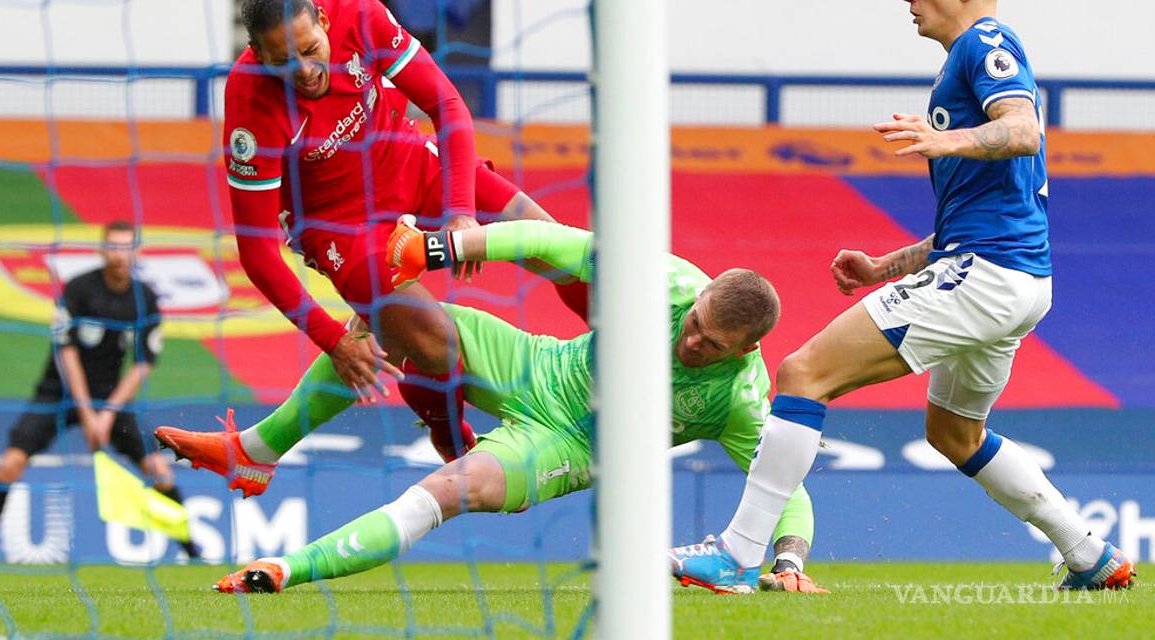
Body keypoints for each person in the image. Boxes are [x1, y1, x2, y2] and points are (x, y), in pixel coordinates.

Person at [671, 0, 1136, 592]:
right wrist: (886, 267)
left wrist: (947, 142)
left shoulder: (988, 43)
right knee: (954, 434)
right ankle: (1089, 554)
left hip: (986, 279)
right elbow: (977, 219)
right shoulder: (962, 65)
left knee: (803, 373)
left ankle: (738, 553)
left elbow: (1024, 129)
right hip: (1014, 278)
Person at [204, 216, 824, 595]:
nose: (691, 340)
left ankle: (285, 570)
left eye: (710, 344)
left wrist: (789, 559)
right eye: (694, 323)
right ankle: (256, 451)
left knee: (446, 491)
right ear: (702, 296)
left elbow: (783, 485)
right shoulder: (673, 283)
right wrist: (439, 248)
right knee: (383, 321)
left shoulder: (742, 397)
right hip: (536, 363)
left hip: (569, 445)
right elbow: (552, 242)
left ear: (749, 348)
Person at [222, 0, 588, 469]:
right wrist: (333, 341)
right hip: (341, 228)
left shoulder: (359, 13)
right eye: (283, 61)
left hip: (410, 162)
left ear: (325, 21)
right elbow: (257, 252)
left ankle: (618, 361)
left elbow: (447, 104)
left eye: (311, 49)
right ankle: (450, 438)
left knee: (552, 242)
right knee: (436, 342)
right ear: (258, 55)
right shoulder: (250, 104)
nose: (305, 69)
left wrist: (460, 213)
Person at [0, 221, 198, 561]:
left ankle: (193, 552)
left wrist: (108, 413)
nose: (119, 255)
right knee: (10, 464)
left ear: (137, 252)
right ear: (102, 250)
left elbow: (143, 363)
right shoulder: (79, 289)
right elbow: (67, 352)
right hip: (56, 395)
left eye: (126, 247)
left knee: (159, 470)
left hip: (110, 401)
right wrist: (89, 413)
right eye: (113, 247)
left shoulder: (143, 298)